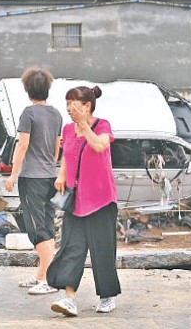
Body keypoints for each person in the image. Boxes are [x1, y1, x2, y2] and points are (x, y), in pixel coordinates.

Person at [47, 85, 121, 316]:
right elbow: (68, 156)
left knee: (102, 249)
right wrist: (61, 175)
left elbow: (99, 145)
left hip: (101, 199)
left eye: (73, 103)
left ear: (87, 105)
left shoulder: (102, 125)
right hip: (76, 200)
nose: (69, 108)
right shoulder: (68, 129)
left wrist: (84, 125)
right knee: (72, 247)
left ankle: (107, 296)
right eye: (67, 103)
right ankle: (69, 297)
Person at [5, 67, 62, 295]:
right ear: (46, 89)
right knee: (46, 225)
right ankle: (41, 276)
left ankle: (50, 280)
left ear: (28, 90)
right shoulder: (56, 113)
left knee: (37, 230)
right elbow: (58, 148)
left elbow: (23, 145)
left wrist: (13, 175)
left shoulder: (28, 113)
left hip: (32, 178)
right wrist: (50, 163)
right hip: (50, 176)